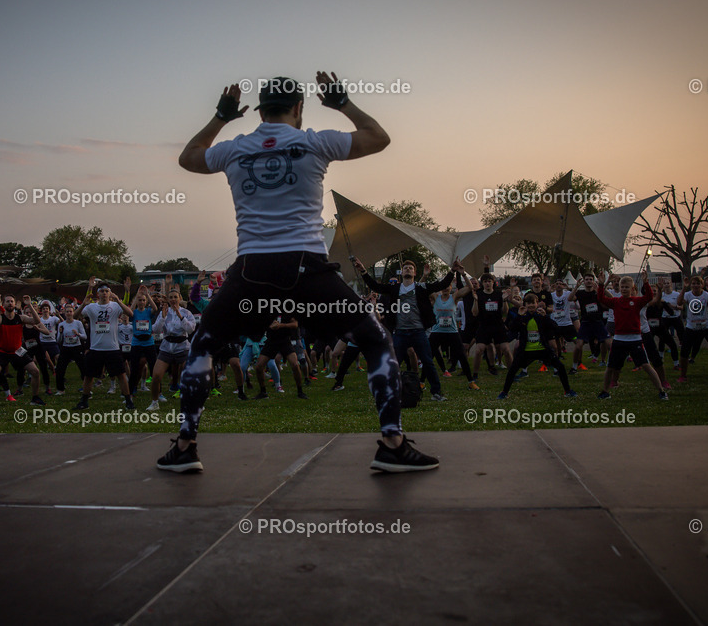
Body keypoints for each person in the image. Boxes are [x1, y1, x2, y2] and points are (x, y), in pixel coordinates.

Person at [157, 73, 437, 473]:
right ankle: (392, 442)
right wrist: (342, 103)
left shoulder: (234, 149)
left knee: (202, 346)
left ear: (259, 110)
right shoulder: (314, 141)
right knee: (375, 340)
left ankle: (185, 447)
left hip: (251, 270)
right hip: (306, 268)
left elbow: (188, 157)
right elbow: (378, 137)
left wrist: (220, 118)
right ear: (299, 108)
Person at [354, 257, 467, 402]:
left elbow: (442, 284)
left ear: (414, 273)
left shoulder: (421, 288)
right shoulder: (395, 288)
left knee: (428, 362)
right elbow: (376, 286)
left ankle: (436, 392)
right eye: (405, 267)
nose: (408, 269)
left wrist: (452, 270)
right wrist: (363, 270)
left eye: (411, 268)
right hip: (400, 332)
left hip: (418, 331)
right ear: (402, 272)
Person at [595, 271, 668, 400]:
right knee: (610, 367)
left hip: (635, 339)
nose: (624, 289)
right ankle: (605, 391)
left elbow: (649, 297)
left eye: (626, 287)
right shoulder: (616, 301)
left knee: (646, 365)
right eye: (622, 287)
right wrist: (601, 285)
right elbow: (601, 299)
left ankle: (661, 391)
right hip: (619, 339)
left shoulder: (637, 301)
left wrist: (646, 282)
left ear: (632, 288)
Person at [497, 293, 577, 400]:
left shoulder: (541, 316)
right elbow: (512, 328)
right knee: (512, 369)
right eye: (528, 303)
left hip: (542, 349)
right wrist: (519, 316)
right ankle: (504, 392)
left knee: (560, 367)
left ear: (537, 304)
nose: (531, 306)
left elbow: (555, 328)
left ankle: (568, 391)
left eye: (533, 303)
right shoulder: (523, 317)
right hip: (526, 350)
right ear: (525, 304)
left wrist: (545, 317)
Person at [74, 279, 135, 410]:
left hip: (112, 348)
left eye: (107, 291)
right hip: (96, 348)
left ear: (110, 293)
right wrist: (82, 305)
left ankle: (128, 400)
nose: (104, 293)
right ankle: (84, 400)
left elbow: (130, 314)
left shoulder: (115, 306)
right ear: (98, 294)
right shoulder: (91, 307)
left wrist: (118, 300)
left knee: (121, 375)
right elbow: (75, 317)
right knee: (89, 376)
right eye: (102, 291)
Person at [0, 295, 45, 410]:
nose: (10, 303)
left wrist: (29, 305)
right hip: (1, 351)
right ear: (4, 304)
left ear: (15, 304)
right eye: (7, 301)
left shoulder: (20, 318)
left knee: (35, 371)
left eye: (12, 301)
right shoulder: (0, 318)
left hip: (17, 350)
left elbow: (37, 321)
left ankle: (35, 398)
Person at [54, 304, 87, 395]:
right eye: (67, 312)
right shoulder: (61, 324)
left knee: (83, 368)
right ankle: (60, 389)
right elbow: (58, 340)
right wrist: (60, 333)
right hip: (66, 348)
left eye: (70, 311)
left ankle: (86, 388)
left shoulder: (78, 323)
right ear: (64, 313)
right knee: (60, 369)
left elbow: (85, 336)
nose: (69, 313)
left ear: (73, 313)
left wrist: (78, 334)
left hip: (77, 347)